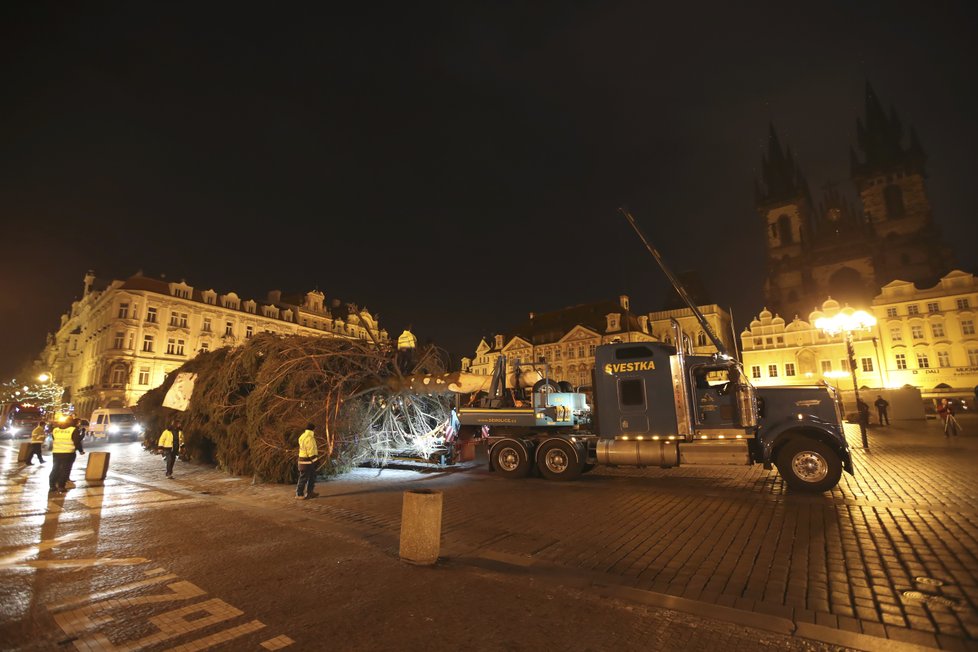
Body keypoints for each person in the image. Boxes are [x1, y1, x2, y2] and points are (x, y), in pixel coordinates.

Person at [49, 418, 85, 494]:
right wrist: (81, 451)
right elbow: (77, 442)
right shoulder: (73, 430)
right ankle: (61, 486)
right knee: (65, 470)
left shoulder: (55, 430)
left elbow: (54, 439)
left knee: (55, 468)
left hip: (56, 452)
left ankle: (52, 485)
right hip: (68, 453)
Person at [296, 423, 319, 500]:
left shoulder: (302, 436)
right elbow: (311, 451)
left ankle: (310, 492)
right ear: (313, 429)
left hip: (302, 460)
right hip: (307, 462)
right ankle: (299, 494)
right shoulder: (310, 438)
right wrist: (316, 461)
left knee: (311, 476)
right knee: (304, 478)